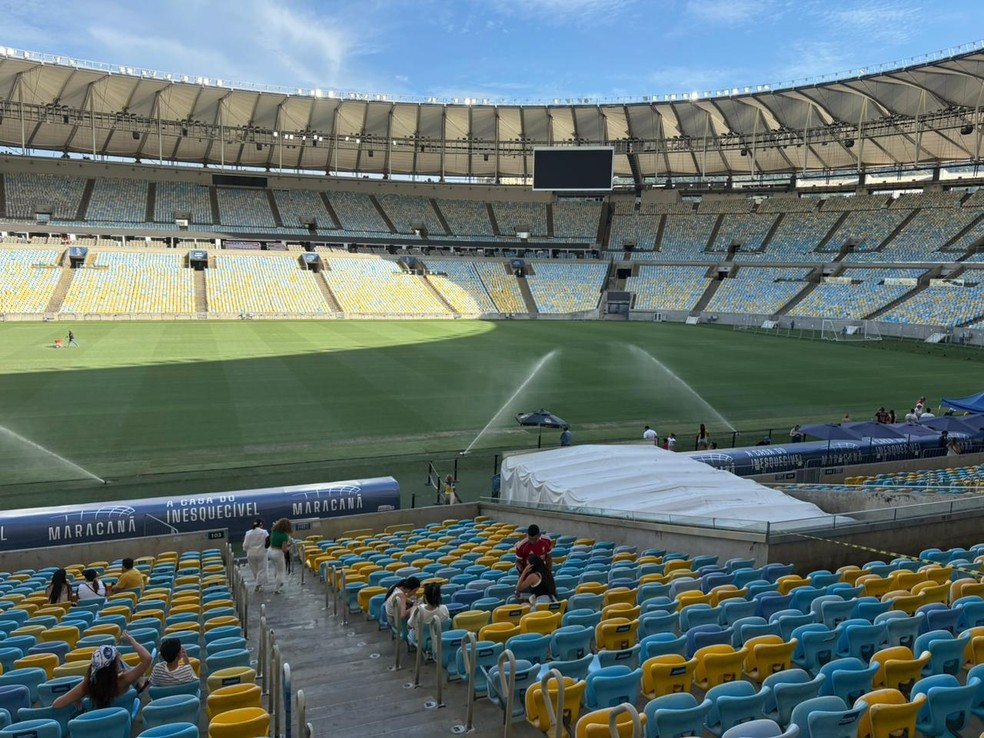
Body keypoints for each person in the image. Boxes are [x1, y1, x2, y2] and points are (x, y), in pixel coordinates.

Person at [52, 633, 151, 710]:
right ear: (112, 666)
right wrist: (132, 641)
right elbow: (147, 658)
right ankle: (141, 682)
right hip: (123, 721)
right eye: (118, 656)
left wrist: (77, 697)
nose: (120, 657)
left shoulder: (87, 684)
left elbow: (57, 704)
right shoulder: (124, 679)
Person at [407, 582, 449, 648]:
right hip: (440, 640)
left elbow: (409, 626)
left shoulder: (419, 611)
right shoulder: (444, 609)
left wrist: (413, 610)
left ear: (425, 596)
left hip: (422, 642)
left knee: (411, 630)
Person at [243, 518, 269, 593]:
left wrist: (246, 549)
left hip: (250, 554)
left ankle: (259, 584)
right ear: (260, 524)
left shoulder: (248, 533)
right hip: (261, 553)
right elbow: (267, 543)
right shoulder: (264, 532)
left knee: (255, 570)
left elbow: (245, 545)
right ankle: (258, 585)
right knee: (261, 569)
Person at [268, 518, 293, 594]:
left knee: (276, 568)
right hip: (278, 553)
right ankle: (276, 588)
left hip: (270, 551)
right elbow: (284, 549)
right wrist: (290, 547)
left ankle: (277, 582)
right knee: (280, 571)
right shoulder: (284, 536)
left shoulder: (274, 531)